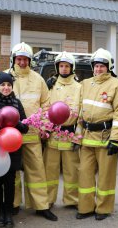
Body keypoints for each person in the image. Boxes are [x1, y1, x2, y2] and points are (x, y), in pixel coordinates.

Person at [0, 42, 57, 221]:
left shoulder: (38, 79)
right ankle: (13, 204)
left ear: (29, 61)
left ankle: (41, 206)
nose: (22, 62)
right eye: (19, 59)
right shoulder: (4, 77)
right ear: (14, 59)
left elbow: (46, 105)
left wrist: (45, 127)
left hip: (31, 133)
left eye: (25, 59)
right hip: (8, 136)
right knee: (11, 172)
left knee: (37, 171)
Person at [75, 48, 118, 221]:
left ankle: (103, 208)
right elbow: (79, 112)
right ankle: (85, 207)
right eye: (96, 66)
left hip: (106, 138)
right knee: (84, 174)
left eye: (102, 66)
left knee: (106, 176)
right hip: (87, 137)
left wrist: (116, 140)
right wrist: (77, 135)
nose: (98, 69)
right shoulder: (85, 83)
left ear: (109, 67)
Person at [0, 72, 29, 227]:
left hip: (13, 148)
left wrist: (15, 123)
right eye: (3, 84)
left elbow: (25, 127)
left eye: (9, 84)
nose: (6, 87)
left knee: (10, 182)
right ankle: (0, 211)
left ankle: (8, 213)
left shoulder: (17, 103)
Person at [43, 52, 81, 208]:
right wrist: (45, 130)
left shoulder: (79, 87)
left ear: (72, 68)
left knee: (72, 171)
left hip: (70, 135)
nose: (64, 69)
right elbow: (45, 108)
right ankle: (48, 199)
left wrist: (78, 136)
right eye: (61, 66)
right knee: (49, 170)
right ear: (57, 67)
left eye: (67, 66)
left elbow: (82, 113)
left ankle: (72, 200)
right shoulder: (50, 86)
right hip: (52, 134)